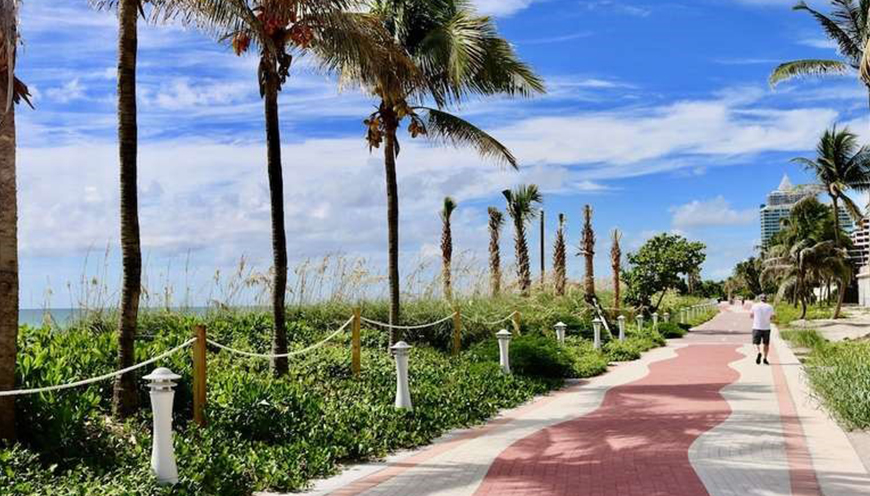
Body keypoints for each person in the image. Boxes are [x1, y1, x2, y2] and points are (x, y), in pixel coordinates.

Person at [749, 295, 775, 365]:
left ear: (760, 299)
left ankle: (758, 352)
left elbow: (751, 315)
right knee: (766, 344)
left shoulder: (755, 306)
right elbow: (772, 317)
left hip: (756, 327)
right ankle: (765, 358)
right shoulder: (770, 307)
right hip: (766, 328)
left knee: (755, 343)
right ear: (766, 299)